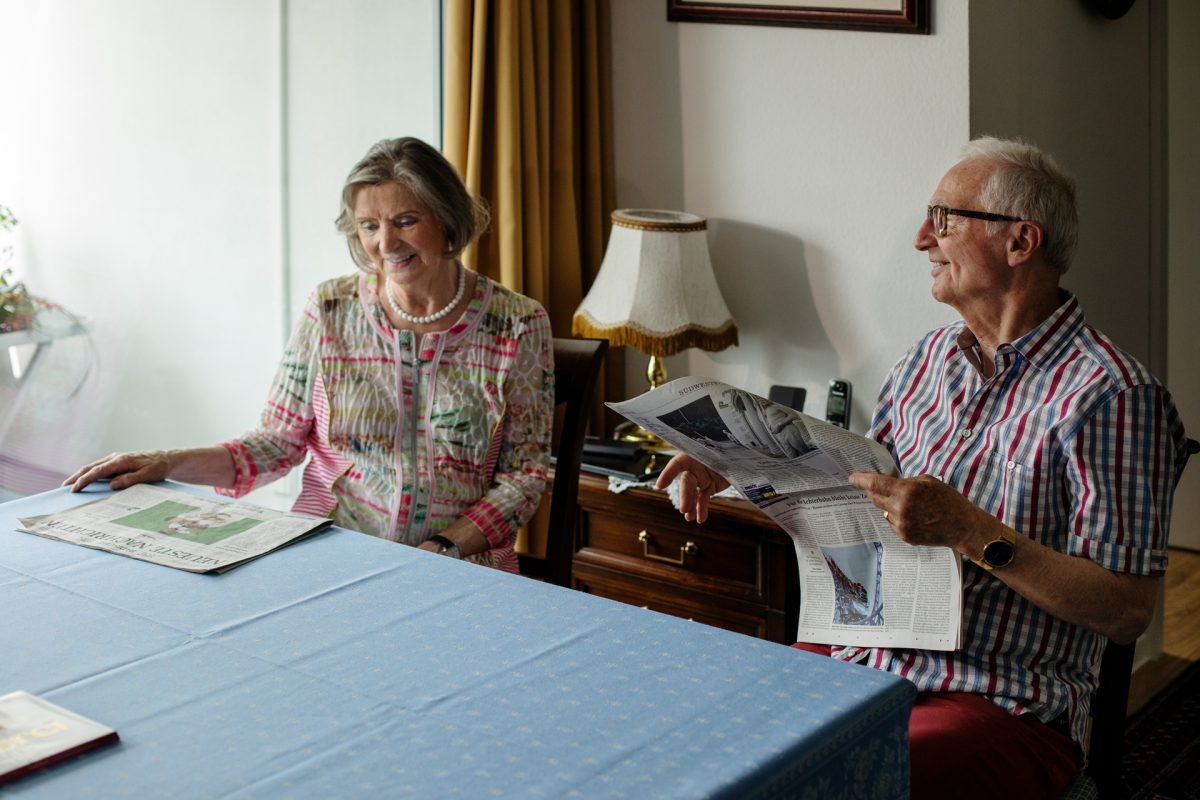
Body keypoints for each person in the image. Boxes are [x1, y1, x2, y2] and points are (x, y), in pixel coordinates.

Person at [656, 137, 1189, 797]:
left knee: (825, 780)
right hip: (862, 659)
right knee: (712, 741)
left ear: (1020, 242)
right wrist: (737, 461)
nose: (919, 240)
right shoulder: (925, 361)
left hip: (999, 697)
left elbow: (1125, 609)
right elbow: (860, 495)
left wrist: (971, 532)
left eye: (943, 219)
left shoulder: (1113, 396)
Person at [65, 137, 553, 572]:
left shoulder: (517, 323)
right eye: (369, 226)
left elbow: (525, 477)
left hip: (459, 565)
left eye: (406, 221)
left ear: (448, 219)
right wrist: (165, 462)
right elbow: (276, 444)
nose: (386, 244)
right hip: (332, 557)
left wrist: (442, 550)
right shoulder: (331, 308)